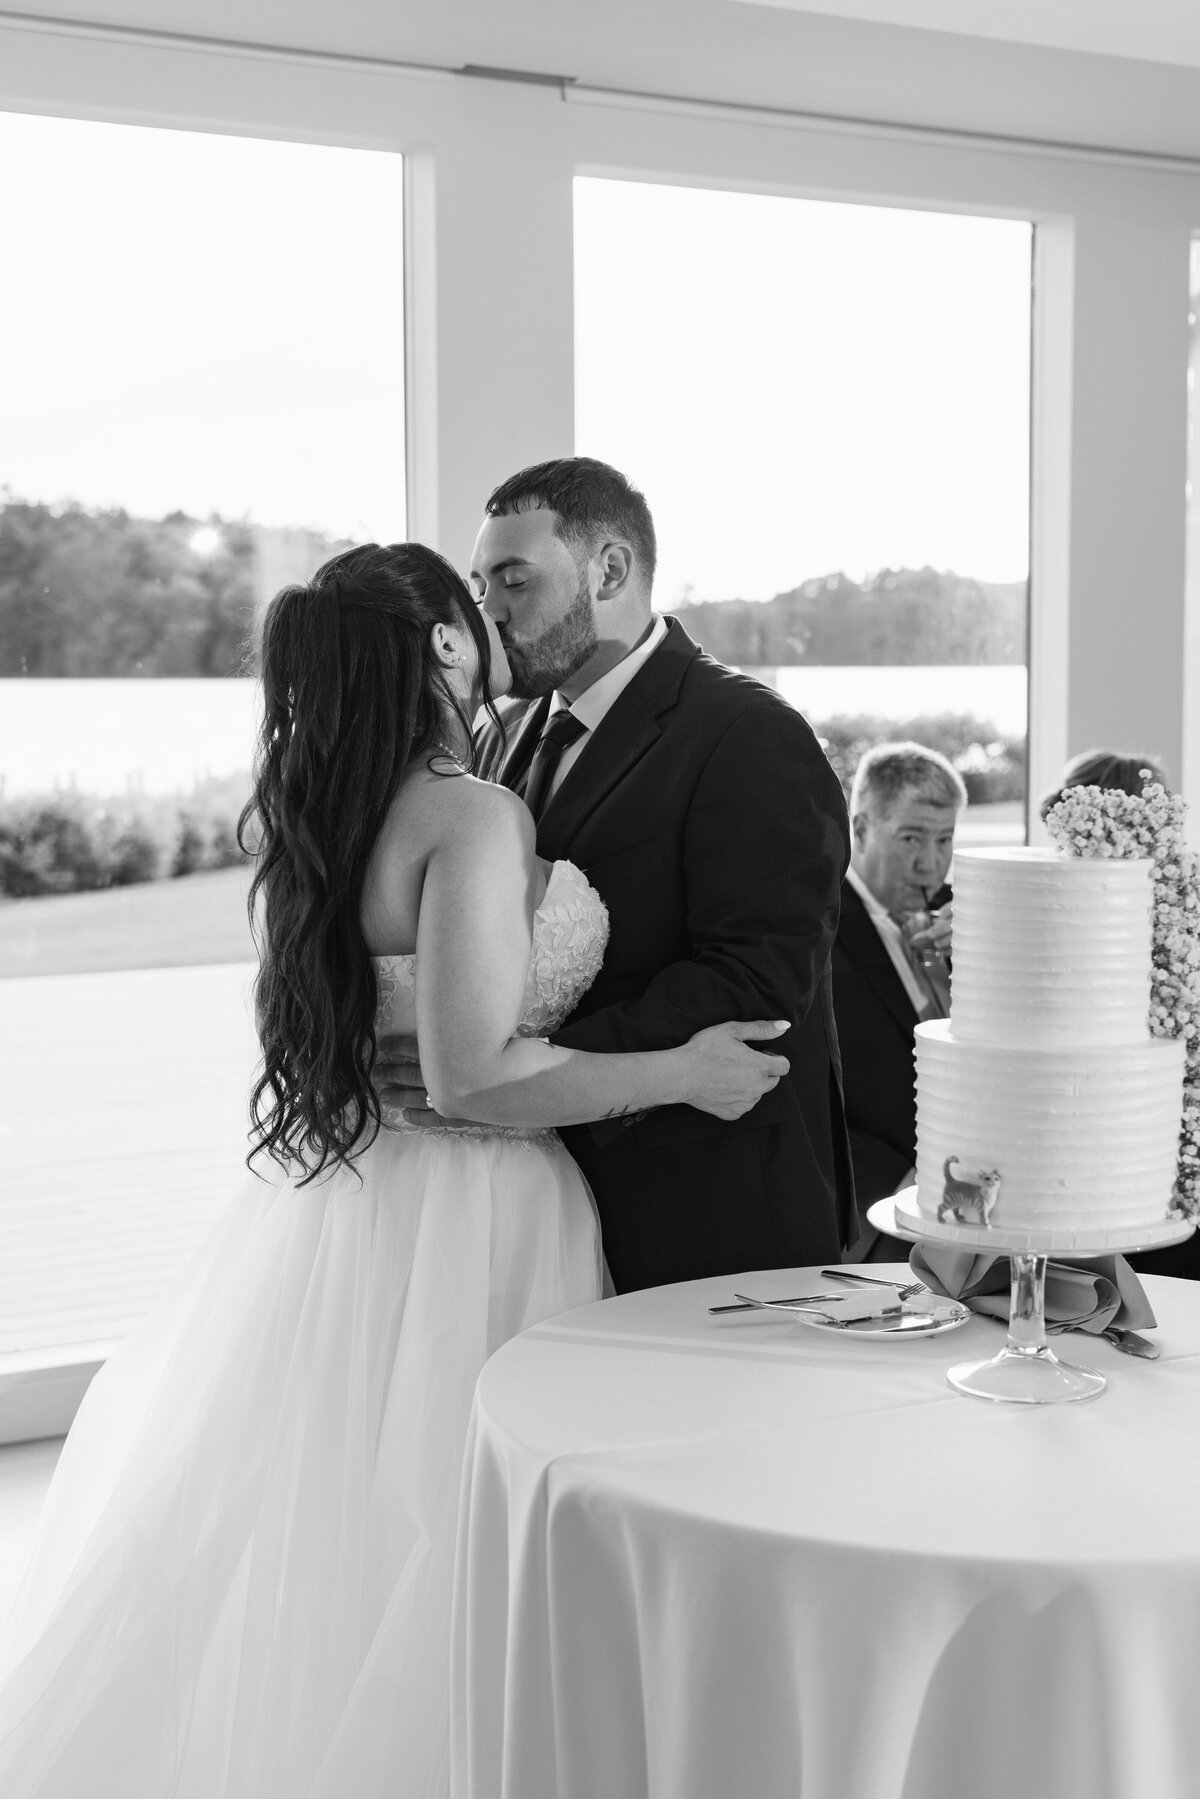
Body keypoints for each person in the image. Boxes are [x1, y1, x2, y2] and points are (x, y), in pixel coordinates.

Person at [0, 543, 790, 1798]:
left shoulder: (328, 813)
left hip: (348, 1204)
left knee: (344, 1524)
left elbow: (388, 1028)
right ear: (439, 646)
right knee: (460, 1529)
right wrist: (679, 1070)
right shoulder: (472, 812)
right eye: (476, 608)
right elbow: (474, 1076)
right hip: (476, 1208)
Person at [382, 457, 855, 1290]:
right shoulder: (501, 737)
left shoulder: (748, 734)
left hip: (705, 1205)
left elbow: (754, 980)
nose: (487, 611)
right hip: (547, 1207)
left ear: (608, 569)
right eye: (480, 585)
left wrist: (503, 1069)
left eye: (513, 581)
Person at [830, 741, 966, 1258]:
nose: (930, 864)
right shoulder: (817, 930)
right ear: (860, 829)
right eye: (911, 837)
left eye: (945, 840)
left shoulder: (971, 919)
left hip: (986, 1192)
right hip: (881, 1216)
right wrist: (907, 1184)